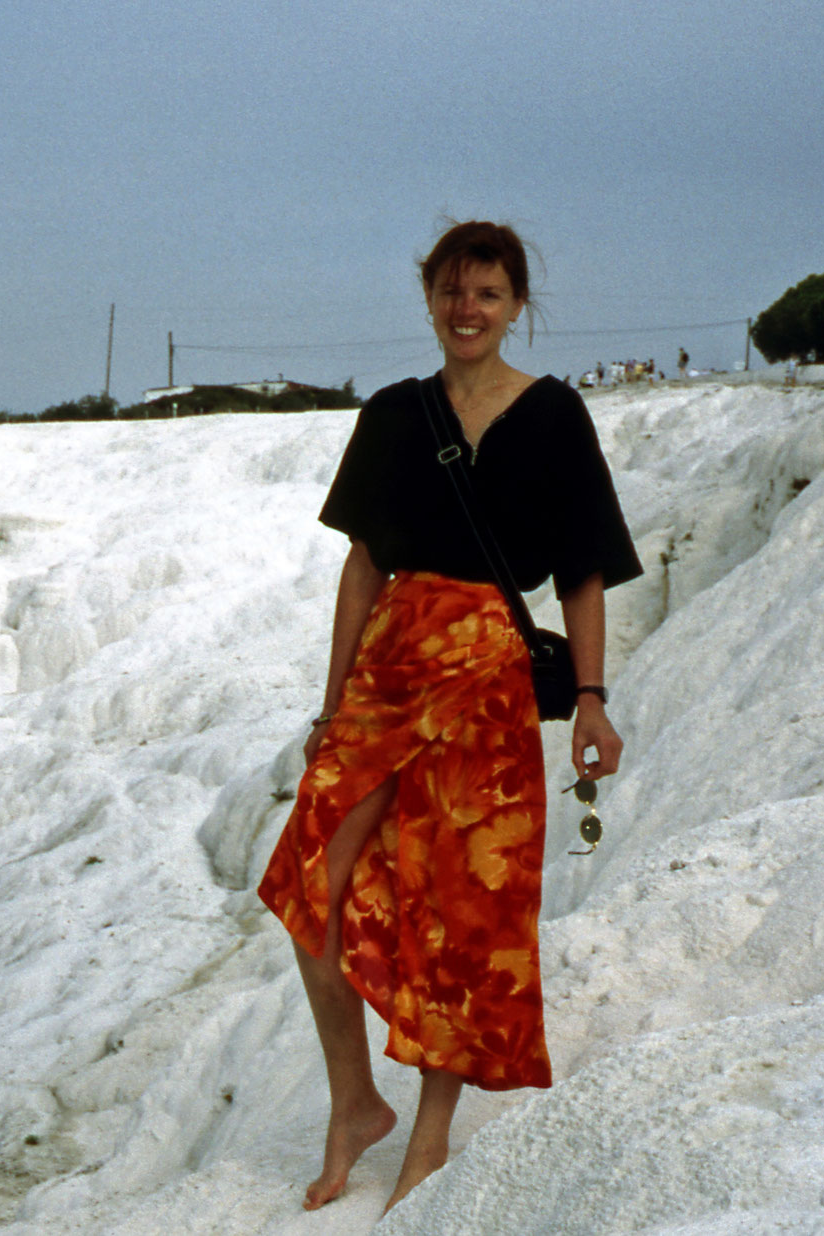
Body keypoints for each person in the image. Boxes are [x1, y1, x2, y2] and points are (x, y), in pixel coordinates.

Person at [258, 220, 641, 1214]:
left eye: (486, 294)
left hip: (489, 685)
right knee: (311, 877)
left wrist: (590, 700)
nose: (465, 310)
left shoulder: (553, 417)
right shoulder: (393, 415)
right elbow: (360, 567)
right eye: (449, 291)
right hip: (389, 669)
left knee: (463, 914)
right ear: (427, 298)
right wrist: (330, 701)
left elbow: (583, 571)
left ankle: (427, 1136)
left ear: (515, 306)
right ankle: (354, 1102)